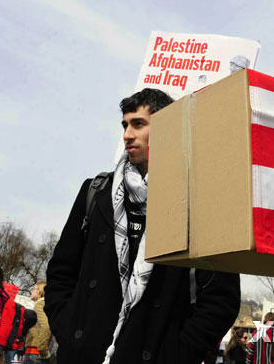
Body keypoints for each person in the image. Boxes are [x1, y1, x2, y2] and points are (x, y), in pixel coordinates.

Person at [45, 88, 241, 363]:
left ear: (167, 128)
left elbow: (221, 299)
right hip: (84, 354)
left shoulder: (199, 203)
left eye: (138, 124)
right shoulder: (96, 192)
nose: (127, 134)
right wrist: (69, 332)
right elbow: (60, 273)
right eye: (125, 125)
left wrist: (177, 354)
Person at [23, 282, 51, 363]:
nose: (31, 291)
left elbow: (46, 326)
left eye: (33, 289)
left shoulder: (39, 305)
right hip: (35, 353)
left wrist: (43, 350)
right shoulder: (45, 304)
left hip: (35, 353)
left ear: (40, 291)